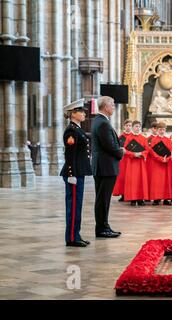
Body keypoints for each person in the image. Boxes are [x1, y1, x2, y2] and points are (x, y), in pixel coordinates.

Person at [60, 99, 92, 247]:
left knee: (77, 205)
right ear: (73, 114)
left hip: (79, 172)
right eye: (81, 112)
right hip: (74, 173)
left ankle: (76, 234)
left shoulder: (77, 129)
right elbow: (70, 155)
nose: (84, 114)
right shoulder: (71, 131)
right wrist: (71, 174)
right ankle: (72, 238)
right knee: (73, 206)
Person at [91, 96, 124, 238]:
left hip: (102, 166)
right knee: (103, 199)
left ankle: (103, 226)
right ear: (105, 107)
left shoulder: (99, 121)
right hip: (105, 167)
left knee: (102, 199)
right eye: (112, 105)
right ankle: (102, 228)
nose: (114, 107)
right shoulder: (103, 123)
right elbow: (110, 146)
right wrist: (121, 151)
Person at [123, 121, 149, 206]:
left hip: (140, 162)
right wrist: (133, 154)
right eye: (136, 126)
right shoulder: (129, 138)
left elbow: (147, 149)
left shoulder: (143, 138)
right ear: (133, 127)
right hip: (132, 162)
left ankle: (140, 199)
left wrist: (141, 154)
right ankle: (133, 199)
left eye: (139, 127)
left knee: (140, 180)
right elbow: (125, 150)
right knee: (132, 181)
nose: (137, 128)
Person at [147, 122, 172, 205]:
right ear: (157, 130)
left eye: (163, 129)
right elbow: (152, 152)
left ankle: (166, 198)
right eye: (160, 129)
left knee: (166, 181)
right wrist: (160, 159)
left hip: (166, 163)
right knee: (157, 181)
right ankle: (156, 198)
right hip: (157, 163)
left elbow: (171, 151)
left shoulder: (168, 140)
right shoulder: (154, 140)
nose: (162, 131)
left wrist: (167, 159)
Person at [113, 119, 133, 202]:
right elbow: (116, 147)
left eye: (130, 126)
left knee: (131, 177)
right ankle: (123, 194)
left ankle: (131, 194)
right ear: (124, 126)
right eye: (127, 125)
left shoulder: (133, 136)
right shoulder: (120, 137)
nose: (128, 127)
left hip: (131, 159)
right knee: (122, 177)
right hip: (123, 160)